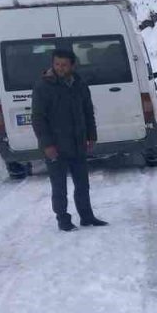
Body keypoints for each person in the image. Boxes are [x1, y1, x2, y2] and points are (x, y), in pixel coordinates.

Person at [31, 48, 108, 232]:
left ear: (72, 65)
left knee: (82, 183)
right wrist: (47, 144)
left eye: (64, 64)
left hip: (78, 142)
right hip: (55, 146)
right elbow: (38, 118)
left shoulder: (79, 83)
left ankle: (87, 216)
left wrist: (91, 136)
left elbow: (88, 112)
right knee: (59, 187)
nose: (60, 68)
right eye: (57, 64)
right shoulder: (43, 86)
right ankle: (63, 220)